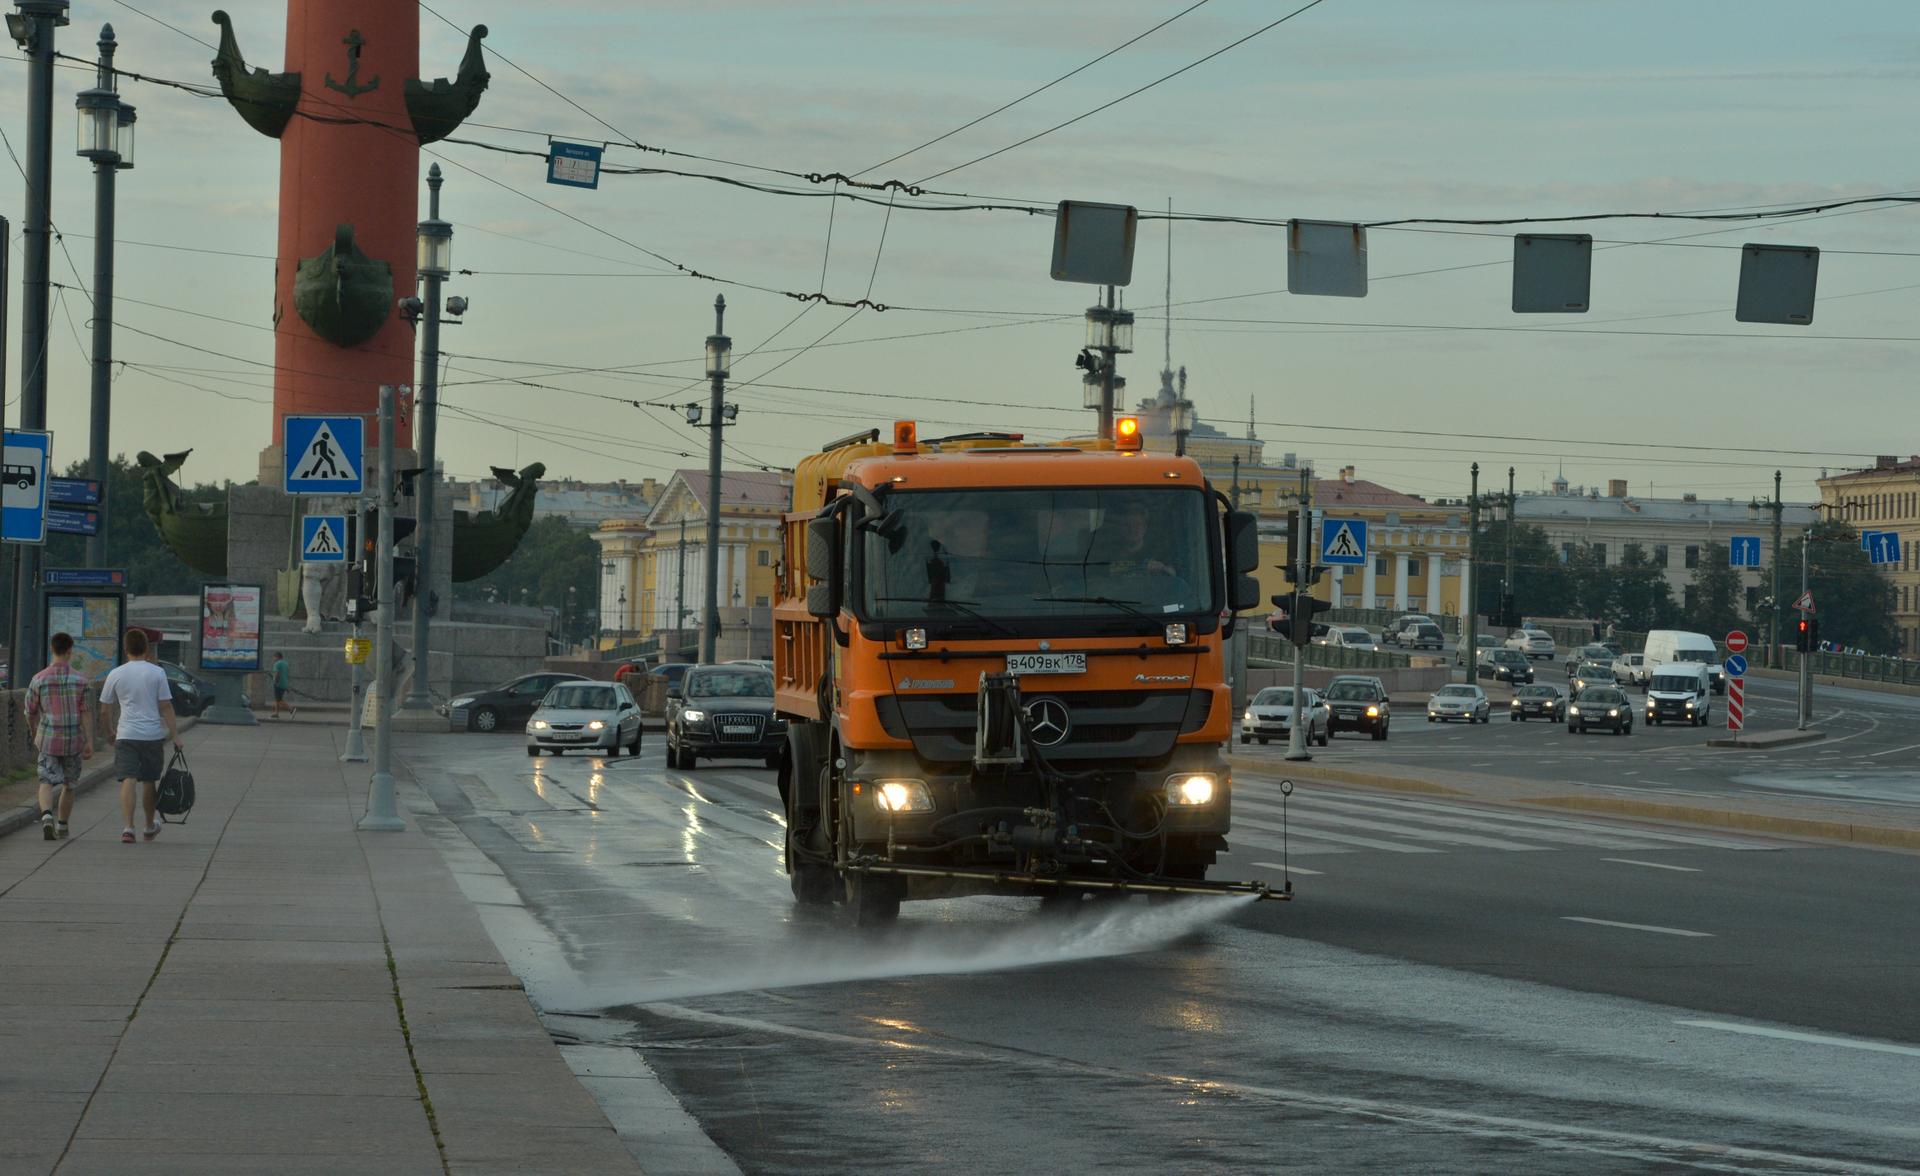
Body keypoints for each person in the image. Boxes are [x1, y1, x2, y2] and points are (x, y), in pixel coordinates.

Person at [98, 629, 182, 844]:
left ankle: (128, 828)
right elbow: (166, 706)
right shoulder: (157, 673)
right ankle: (148, 825)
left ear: (125, 649)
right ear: (146, 648)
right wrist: (175, 735)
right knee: (148, 781)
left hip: (126, 734)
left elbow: (105, 710)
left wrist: (109, 732)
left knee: (128, 778)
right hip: (152, 735)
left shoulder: (116, 674)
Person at [25, 632, 93, 842]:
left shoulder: (38, 679)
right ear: (70, 651)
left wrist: (33, 729)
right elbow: (86, 712)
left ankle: (46, 817)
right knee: (69, 784)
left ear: (52, 649)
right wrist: (89, 740)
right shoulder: (81, 680)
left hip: (48, 739)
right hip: (73, 741)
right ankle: (62, 825)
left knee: (46, 780)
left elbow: (29, 710)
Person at [270, 651, 297, 720]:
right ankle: (276, 713)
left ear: (277, 657)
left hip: (278, 684)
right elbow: (287, 675)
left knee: (279, 700)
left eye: (274, 657)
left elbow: (277, 673)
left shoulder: (277, 664)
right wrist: (287, 686)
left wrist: (275, 681)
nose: (273, 658)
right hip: (284, 683)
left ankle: (291, 709)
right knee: (277, 699)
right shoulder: (285, 664)